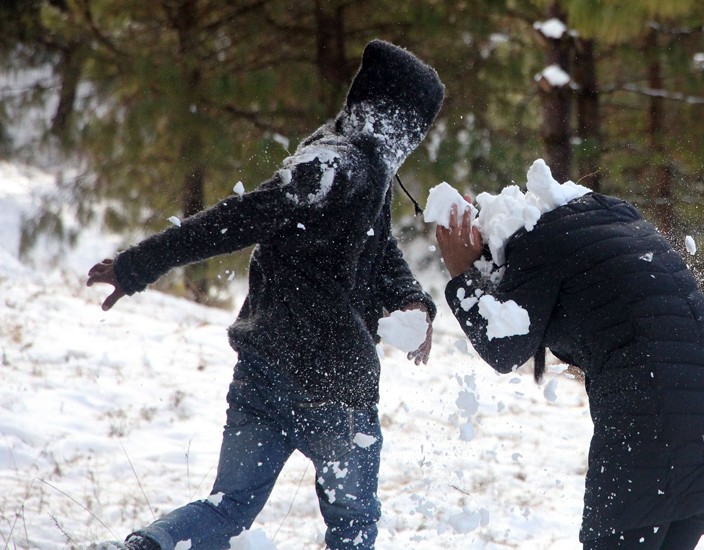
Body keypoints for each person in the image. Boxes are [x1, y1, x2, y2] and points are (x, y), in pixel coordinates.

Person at [86, 40, 444, 550]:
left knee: (229, 507)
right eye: (415, 127)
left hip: (264, 372)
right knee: (354, 524)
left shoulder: (356, 159)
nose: (413, 140)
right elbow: (238, 218)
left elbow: (379, 249)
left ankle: (147, 547)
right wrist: (138, 264)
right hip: (334, 391)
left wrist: (414, 302)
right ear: (395, 117)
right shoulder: (334, 168)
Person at [434, 161, 704, 550]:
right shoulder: (615, 223)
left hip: (651, 447)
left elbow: (503, 345)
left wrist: (462, 273)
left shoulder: (542, 245)